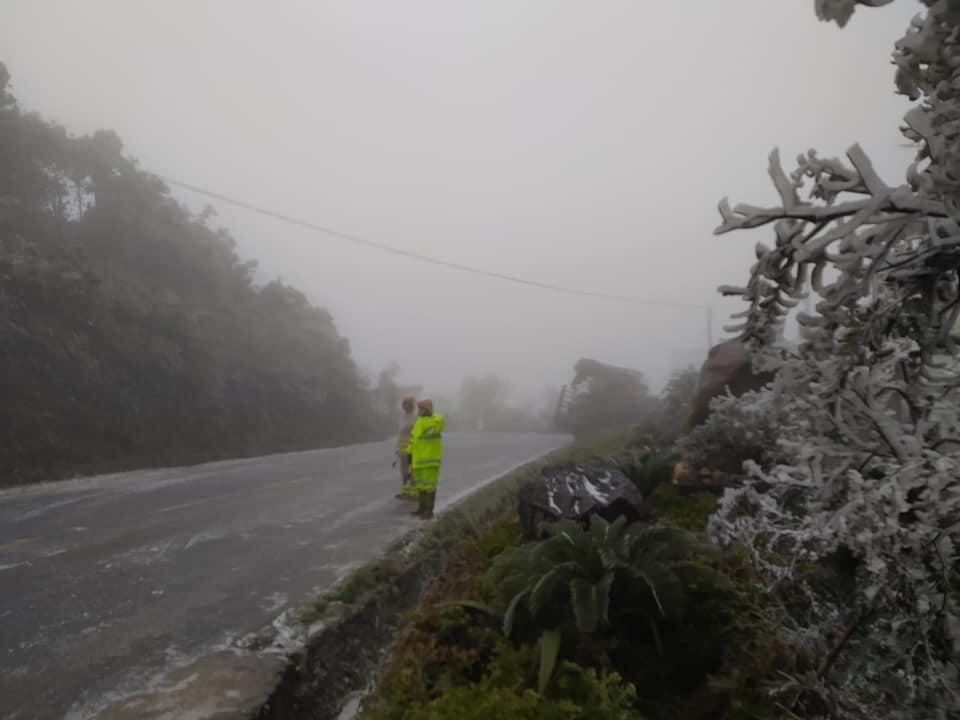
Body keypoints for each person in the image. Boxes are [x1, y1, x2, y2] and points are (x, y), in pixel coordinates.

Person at [408, 399, 445, 519]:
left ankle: (429, 512)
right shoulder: (419, 422)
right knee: (421, 486)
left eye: (421, 408)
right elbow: (413, 439)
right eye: (418, 408)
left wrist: (431, 417)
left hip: (430, 461)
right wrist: (409, 453)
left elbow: (437, 425)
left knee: (429, 487)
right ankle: (422, 509)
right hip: (418, 461)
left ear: (426, 409)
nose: (418, 411)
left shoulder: (436, 421)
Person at [395, 397, 417, 499]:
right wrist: (397, 448)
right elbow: (400, 433)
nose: (405, 406)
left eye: (407, 404)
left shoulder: (415, 417)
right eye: (404, 404)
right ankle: (405, 491)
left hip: (412, 447)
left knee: (413, 471)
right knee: (403, 471)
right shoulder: (402, 417)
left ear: (412, 406)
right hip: (402, 448)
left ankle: (413, 493)